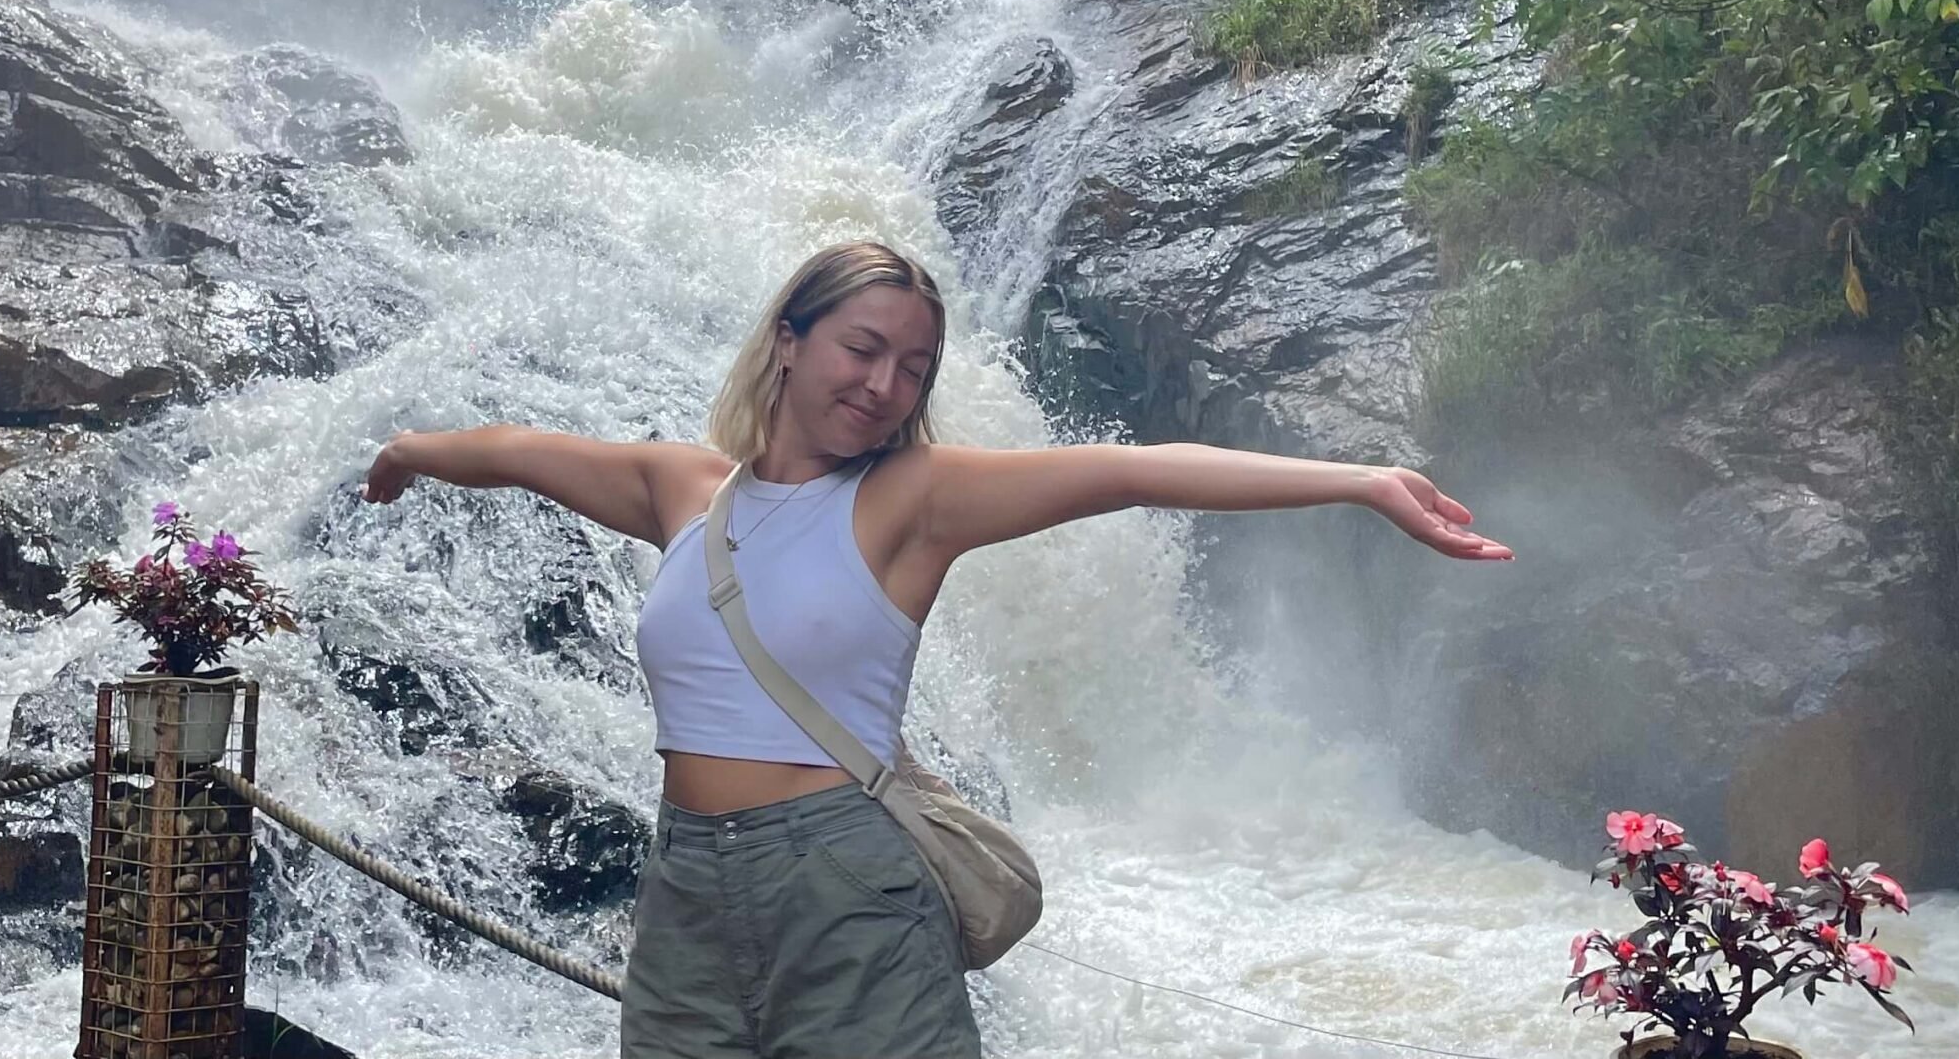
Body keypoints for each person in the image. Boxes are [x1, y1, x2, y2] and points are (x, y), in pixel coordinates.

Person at [361, 239, 1511, 1059]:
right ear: (789, 340)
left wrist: (1360, 482)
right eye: (863, 348)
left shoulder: (915, 497)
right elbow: (515, 449)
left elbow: (1131, 471)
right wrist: (408, 450)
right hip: (686, 886)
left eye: (913, 367)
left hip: (845, 878)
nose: (883, 384)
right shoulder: (683, 490)